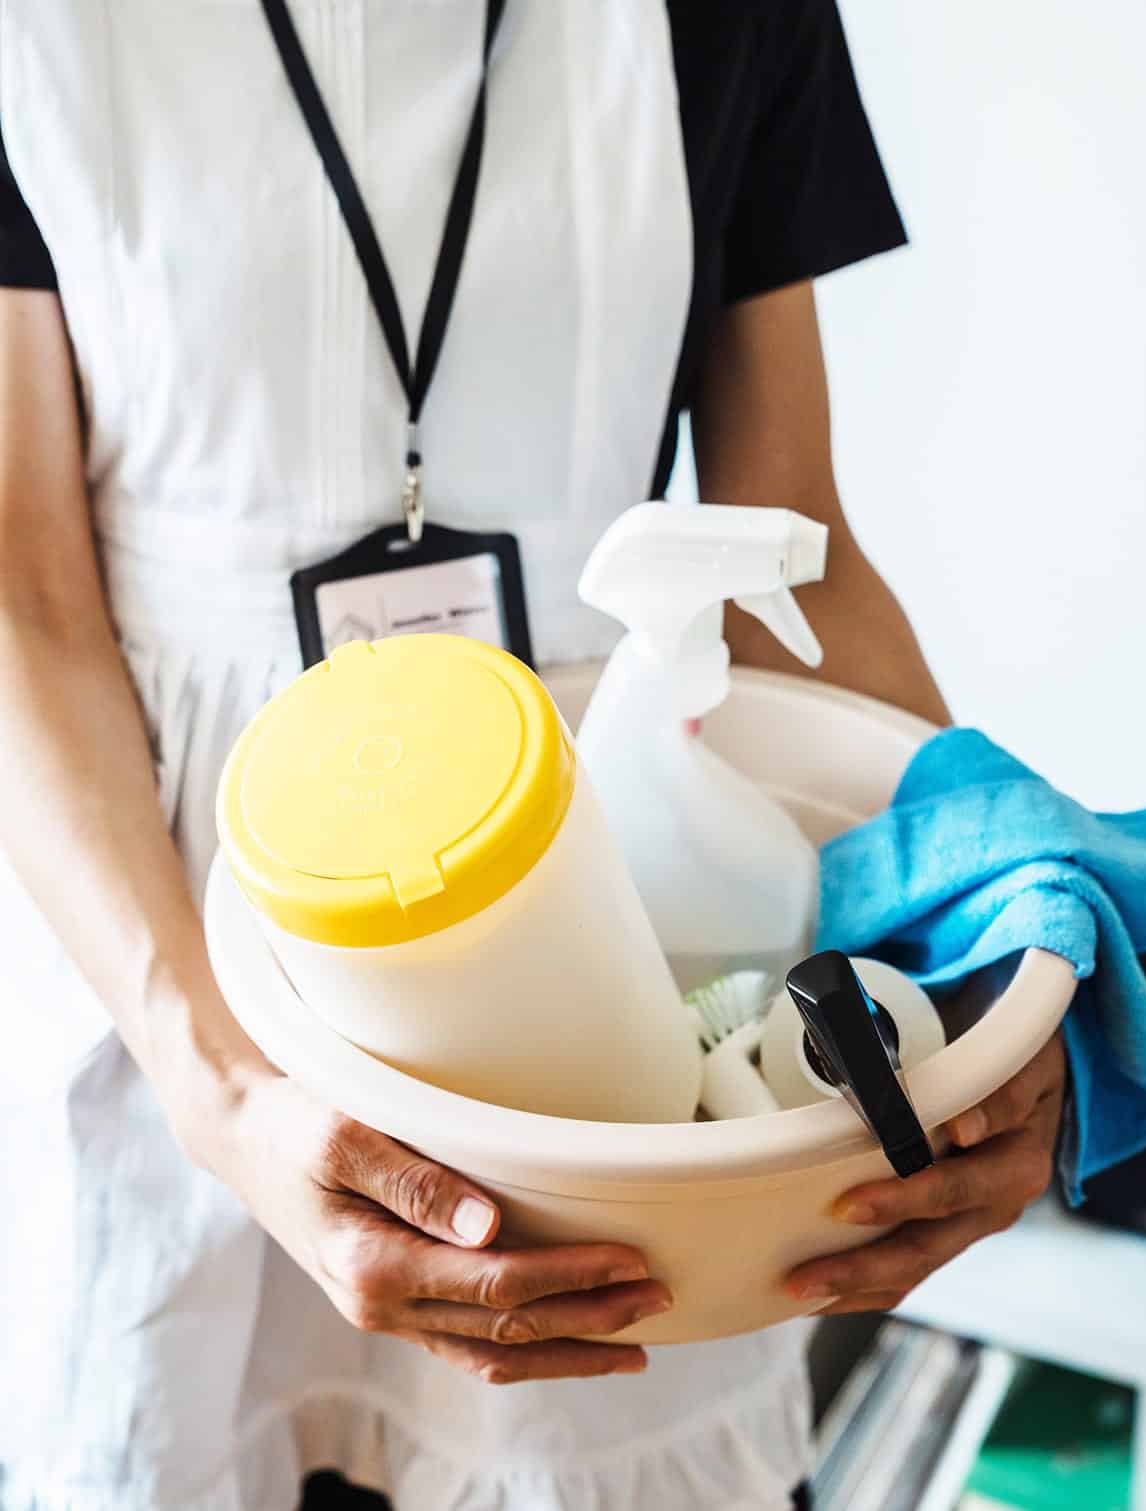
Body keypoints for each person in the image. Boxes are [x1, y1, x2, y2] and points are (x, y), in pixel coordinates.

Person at [0, 2, 1066, 1508]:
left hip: (603, 876)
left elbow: (791, 550)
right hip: (167, 926)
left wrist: (1000, 948)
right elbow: (24, 595)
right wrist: (221, 1092)